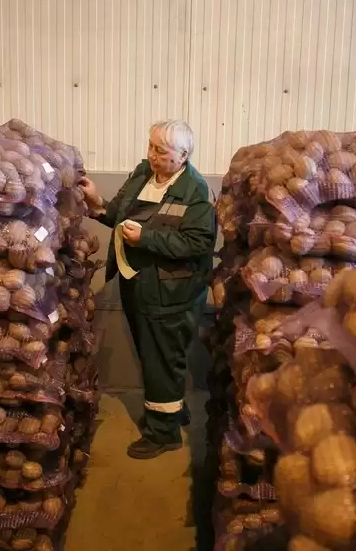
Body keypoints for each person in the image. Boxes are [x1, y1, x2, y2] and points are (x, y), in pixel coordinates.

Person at [79, 119, 216, 459]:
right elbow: (117, 214)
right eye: (151, 146)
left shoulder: (196, 191)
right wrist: (96, 202)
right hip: (138, 283)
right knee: (156, 356)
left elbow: (199, 243)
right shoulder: (142, 174)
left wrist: (147, 238)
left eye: (161, 150)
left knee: (162, 359)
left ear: (182, 155)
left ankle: (162, 434)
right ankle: (171, 411)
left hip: (171, 292)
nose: (152, 155)